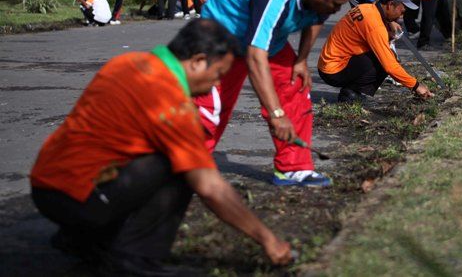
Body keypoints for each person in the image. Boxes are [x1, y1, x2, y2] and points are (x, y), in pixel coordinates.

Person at [30, 20, 292, 276]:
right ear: (198, 61)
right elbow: (210, 187)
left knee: (145, 155)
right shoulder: (172, 102)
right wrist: (267, 238)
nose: (216, 85)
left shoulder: (126, 62)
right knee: (185, 165)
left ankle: (81, 239)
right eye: (218, 75)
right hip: (78, 198)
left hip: (46, 186)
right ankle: (136, 259)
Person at [195, 0, 355, 187]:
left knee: (295, 86)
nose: (337, 10)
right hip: (223, 33)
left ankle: (294, 168)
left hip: (266, 39)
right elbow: (254, 56)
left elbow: (316, 18)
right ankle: (186, 165)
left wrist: (300, 60)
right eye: (335, 5)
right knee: (212, 106)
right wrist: (276, 114)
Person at [318, 0, 433, 102]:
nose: (401, 16)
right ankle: (350, 93)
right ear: (390, 5)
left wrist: (389, 24)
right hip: (333, 71)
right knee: (385, 61)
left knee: (385, 55)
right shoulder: (375, 25)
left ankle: (353, 89)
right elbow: (390, 66)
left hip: (329, 63)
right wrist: (416, 86)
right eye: (401, 11)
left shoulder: (367, 8)